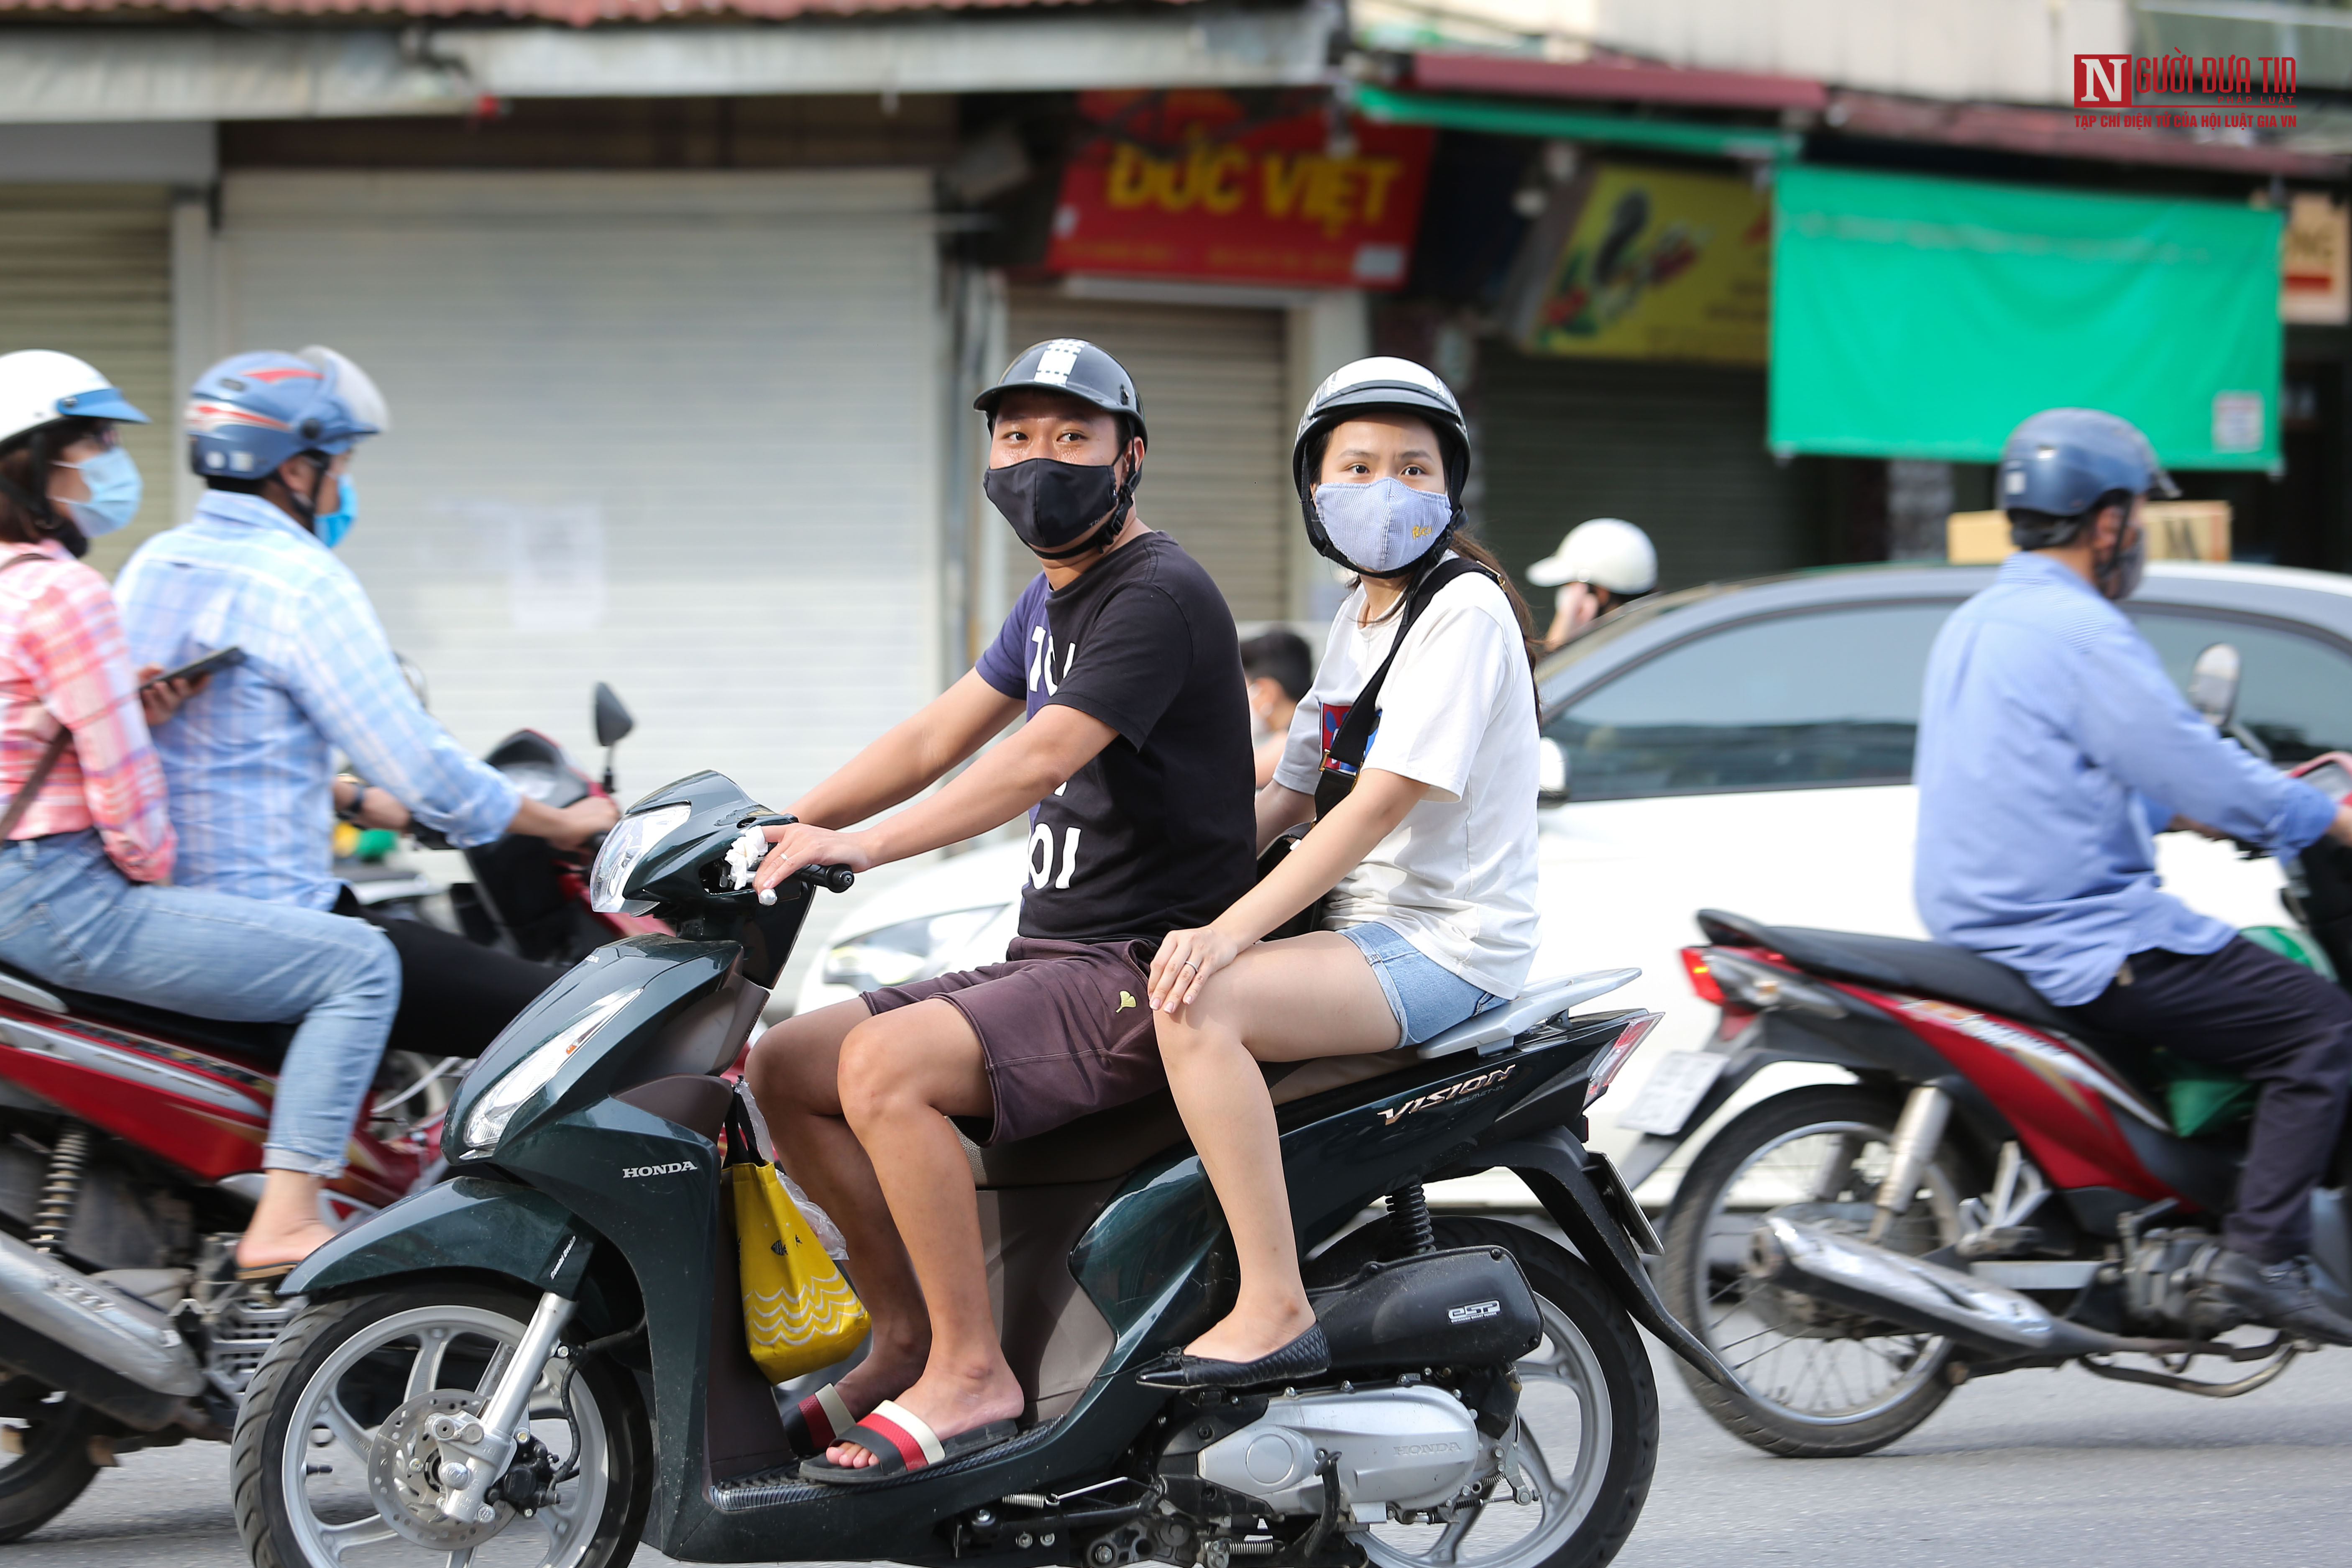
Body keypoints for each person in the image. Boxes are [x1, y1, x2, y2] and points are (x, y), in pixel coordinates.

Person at [743, 339, 1254, 1479]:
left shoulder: (1156, 594)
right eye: (1017, 436)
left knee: (883, 1068)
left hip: (1143, 965)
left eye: (1071, 437)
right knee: (786, 1066)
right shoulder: (1048, 597)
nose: (1039, 461)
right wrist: (779, 826)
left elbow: (1035, 759)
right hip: (1053, 955)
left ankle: (974, 1370)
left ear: (1129, 458)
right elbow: (935, 735)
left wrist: (862, 846)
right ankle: (906, 1334)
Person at [1140, 357, 1542, 1385]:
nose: (1386, 489)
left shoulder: (1463, 611)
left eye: (1414, 468)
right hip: (1364, 938)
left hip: (1442, 945)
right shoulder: (1357, 619)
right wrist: (1156, 875)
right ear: (1315, 490)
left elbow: (1374, 805)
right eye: (1357, 466)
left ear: (1448, 488)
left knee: (1200, 1007)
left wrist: (1225, 936)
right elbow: (1290, 792)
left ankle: (1273, 1303)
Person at [1915, 406, 2352, 1345]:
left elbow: (2060, 779)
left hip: (1986, 920)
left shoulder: (1981, 618)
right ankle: (2258, 1257)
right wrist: (2326, 814)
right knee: (2320, 1026)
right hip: (2083, 934)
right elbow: (2186, 755)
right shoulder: (2081, 630)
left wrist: (2182, 808)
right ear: (2107, 520)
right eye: (2138, 519)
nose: (2140, 539)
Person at [0, 349, 403, 1277]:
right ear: (32, 459)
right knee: (359, 964)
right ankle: (289, 1214)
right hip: (65, 893)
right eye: (92, 440)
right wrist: (158, 865)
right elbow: (124, 789)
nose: (108, 459)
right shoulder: (64, 591)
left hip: (17, 891)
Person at [115, 348, 616, 1062]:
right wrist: (562, 821)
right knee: (583, 1019)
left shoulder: (154, 564)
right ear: (295, 467)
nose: (342, 484)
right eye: (340, 464)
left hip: (170, 919)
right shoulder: (303, 581)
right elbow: (420, 765)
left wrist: (351, 796)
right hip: (276, 923)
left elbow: (207, 746)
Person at [1526, 516, 1654, 651]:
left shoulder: (1616, 653)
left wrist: (1559, 642)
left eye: (1572, 586)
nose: (1566, 596)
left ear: (1600, 593)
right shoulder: (1654, 635)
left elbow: (1549, 672)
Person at [1239, 627, 1311, 787]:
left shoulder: (1296, 743)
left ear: (1266, 693)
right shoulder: (1313, 724)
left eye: (1238, 691)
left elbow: (1233, 777)